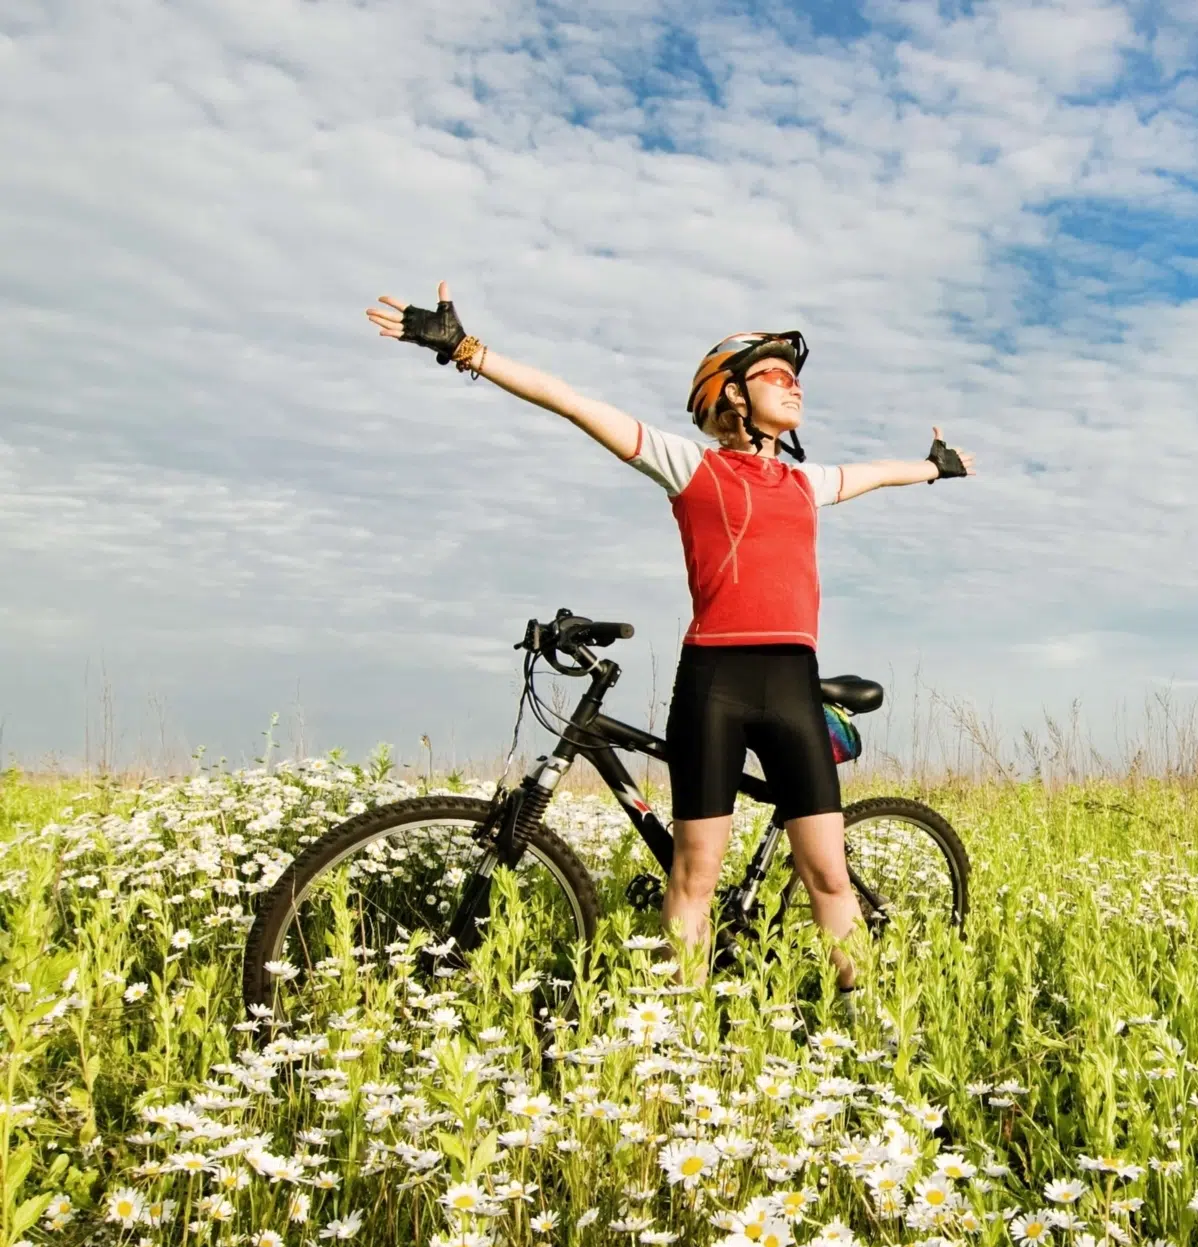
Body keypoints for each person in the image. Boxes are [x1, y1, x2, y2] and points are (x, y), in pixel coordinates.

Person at [363, 282, 976, 989]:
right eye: (776, 375)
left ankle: (867, 1029)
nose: (794, 387)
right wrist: (469, 351)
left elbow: (876, 474)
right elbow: (571, 402)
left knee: (829, 879)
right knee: (693, 878)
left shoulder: (806, 483)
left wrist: (934, 466)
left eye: (797, 377)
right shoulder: (691, 465)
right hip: (714, 684)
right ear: (733, 397)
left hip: (791, 686)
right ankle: (688, 1043)